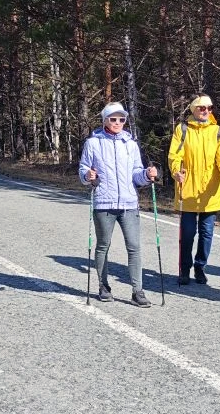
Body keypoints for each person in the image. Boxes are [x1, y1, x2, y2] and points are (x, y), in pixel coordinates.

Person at [79, 102, 159, 308]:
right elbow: (83, 170)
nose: (117, 122)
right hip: (103, 203)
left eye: (121, 119)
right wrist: (88, 176)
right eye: (113, 119)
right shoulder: (93, 143)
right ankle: (103, 286)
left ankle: (137, 291)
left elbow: (136, 174)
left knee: (134, 247)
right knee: (103, 246)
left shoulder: (130, 144)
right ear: (105, 120)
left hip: (129, 203)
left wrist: (147, 175)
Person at [168, 94, 220, 285]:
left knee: (207, 233)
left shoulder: (218, 132)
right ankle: (184, 269)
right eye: (202, 108)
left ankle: (200, 267)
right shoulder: (183, 129)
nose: (206, 111)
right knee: (188, 233)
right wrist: (176, 171)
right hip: (188, 190)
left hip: (210, 191)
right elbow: (175, 155)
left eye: (209, 108)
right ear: (194, 110)